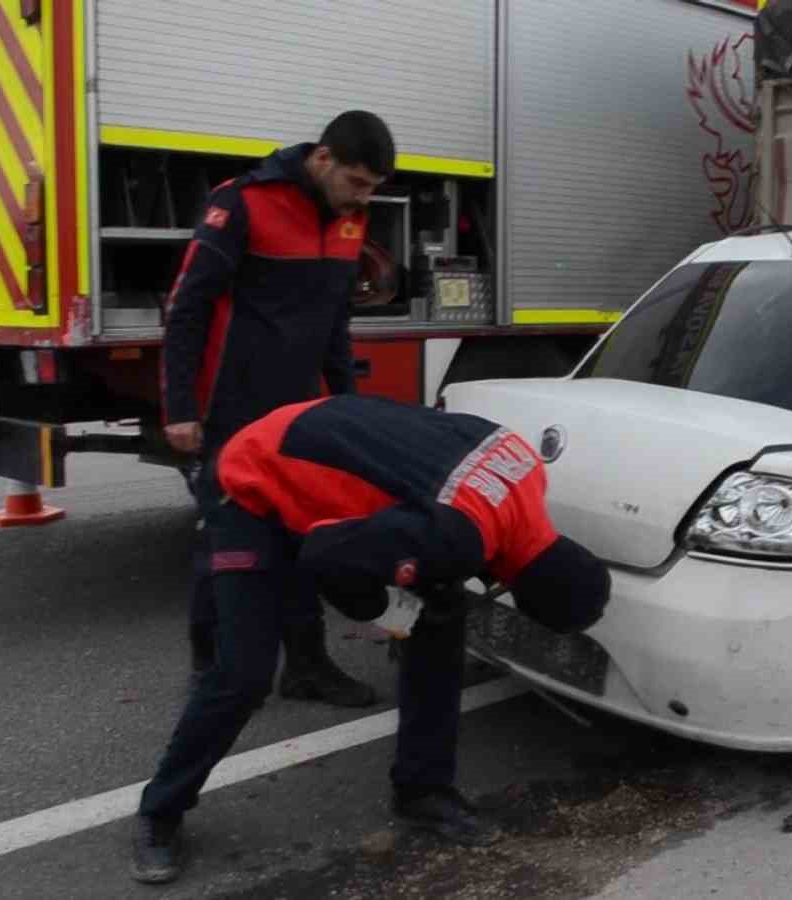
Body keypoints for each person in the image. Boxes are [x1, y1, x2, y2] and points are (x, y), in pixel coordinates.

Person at [130, 394, 612, 885]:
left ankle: (424, 791)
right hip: (253, 480)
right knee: (244, 672)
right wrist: (387, 611)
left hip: (313, 428)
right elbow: (324, 556)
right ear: (519, 592)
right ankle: (159, 812)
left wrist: (417, 589)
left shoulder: (526, 467)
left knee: (439, 626)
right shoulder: (458, 537)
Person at [162, 111, 399, 708]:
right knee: (227, 542)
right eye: (357, 183)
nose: (363, 198)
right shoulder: (243, 205)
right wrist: (180, 406)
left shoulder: (350, 218)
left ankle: (307, 667)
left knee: (303, 536)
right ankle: (210, 669)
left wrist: (346, 408)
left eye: (371, 188)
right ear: (323, 159)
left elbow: (334, 325)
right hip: (232, 412)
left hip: (302, 413)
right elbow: (187, 307)